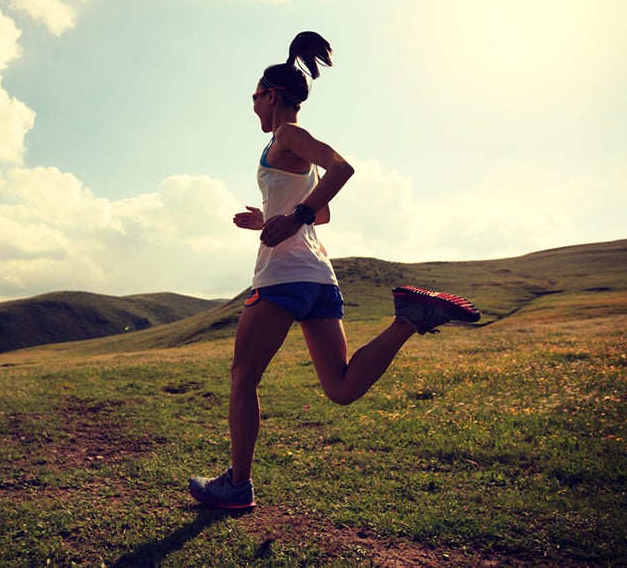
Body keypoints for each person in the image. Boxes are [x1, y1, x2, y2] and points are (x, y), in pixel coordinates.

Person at [189, 32, 480, 510]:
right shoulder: (291, 148)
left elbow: (342, 170)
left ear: (270, 94)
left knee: (243, 377)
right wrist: (271, 219)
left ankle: (236, 486)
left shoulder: (287, 136)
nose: (253, 107)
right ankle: (409, 317)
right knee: (341, 387)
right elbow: (321, 213)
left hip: (283, 276)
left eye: (254, 96)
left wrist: (293, 219)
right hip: (318, 276)